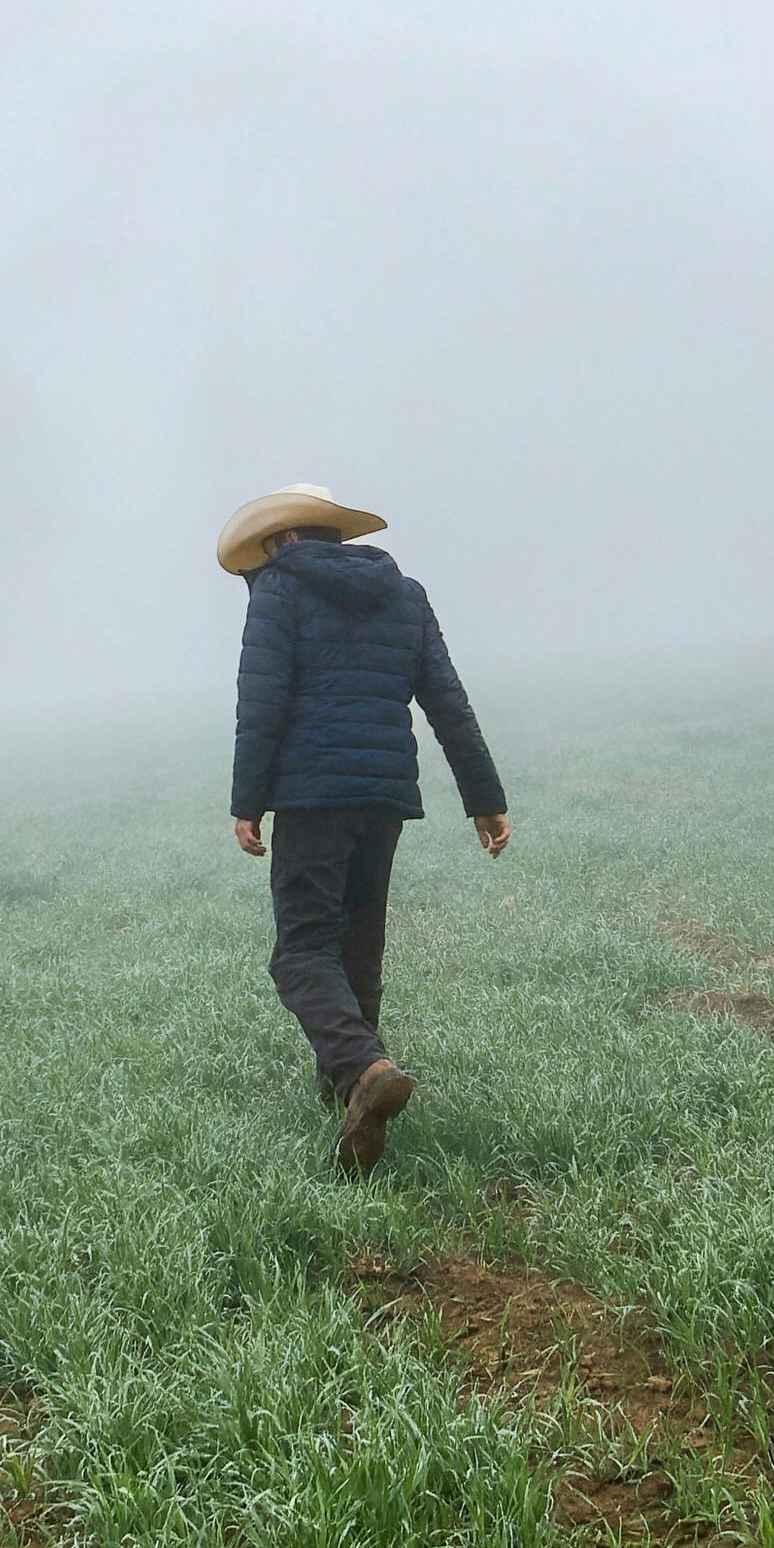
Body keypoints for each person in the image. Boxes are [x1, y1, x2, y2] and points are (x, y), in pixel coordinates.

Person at [217, 483, 509, 1175]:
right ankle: (346, 1092)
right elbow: (448, 702)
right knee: (357, 943)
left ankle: (365, 1069)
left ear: (284, 540)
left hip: (312, 797)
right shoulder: (403, 594)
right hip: (382, 799)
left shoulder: (278, 595)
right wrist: (484, 799)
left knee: (300, 951)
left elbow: (259, 707)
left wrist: (246, 803)